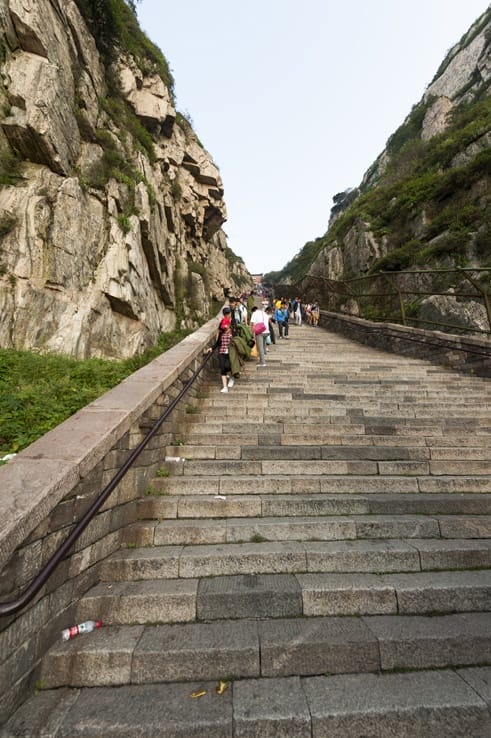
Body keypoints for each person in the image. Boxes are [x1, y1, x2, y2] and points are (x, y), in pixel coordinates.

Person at [213, 307, 234, 392]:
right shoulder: (222, 331)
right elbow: (218, 340)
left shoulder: (233, 326)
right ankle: (225, 387)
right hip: (222, 350)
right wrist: (212, 348)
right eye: (226, 314)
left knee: (228, 366)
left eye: (228, 313)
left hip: (230, 350)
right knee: (222, 367)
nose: (227, 315)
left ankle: (232, 377)